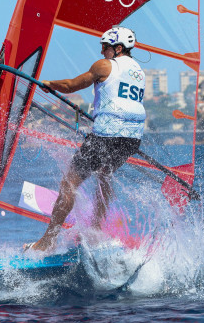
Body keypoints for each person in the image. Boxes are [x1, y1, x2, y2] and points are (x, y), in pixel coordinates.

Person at [29, 26, 146, 253]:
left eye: (106, 46)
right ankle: (95, 230)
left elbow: (72, 85)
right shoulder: (139, 72)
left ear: (118, 48)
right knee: (104, 175)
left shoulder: (104, 66)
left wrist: (49, 84)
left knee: (69, 183)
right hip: (131, 139)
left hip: (106, 135)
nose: (102, 50)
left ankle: (47, 241)